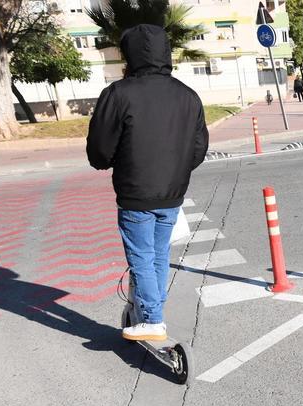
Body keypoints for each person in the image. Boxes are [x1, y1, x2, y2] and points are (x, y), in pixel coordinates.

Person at [86, 24, 208, 342]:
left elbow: (99, 150)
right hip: (172, 193)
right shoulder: (188, 96)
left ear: (130, 55)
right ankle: (153, 312)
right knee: (157, 254)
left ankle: (152, 319)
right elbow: (198, 150)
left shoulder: (118, 94)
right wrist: (175, 170)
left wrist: (110, 161)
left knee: (141, 255)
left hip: (135, 192)